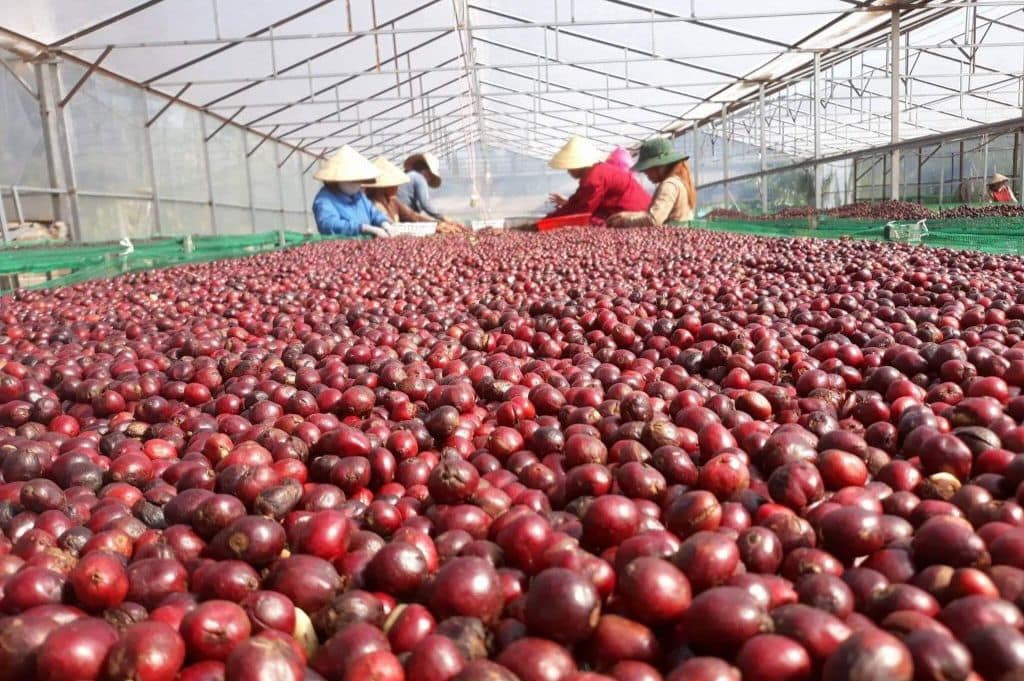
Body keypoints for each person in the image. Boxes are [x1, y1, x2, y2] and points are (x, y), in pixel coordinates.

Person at [545, 136, 650, 221]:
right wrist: (551, 218)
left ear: (579, 165)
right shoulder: (594, 173)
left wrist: (552, 220)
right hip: (632, 211)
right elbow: (576, 201)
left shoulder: (594, 179)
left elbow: (583, 211)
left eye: (570, 167)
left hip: (634, 214)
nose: (568, 171)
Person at [606, 137, 696, 228]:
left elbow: (653, 220)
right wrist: (627, 215)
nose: (645, 173)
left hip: (672, 237)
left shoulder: (669, 185)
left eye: (647, 168)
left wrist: (622, 222)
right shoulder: (679, 182)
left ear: (661, 165)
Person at [364, 157, 467, 235]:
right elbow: (392, 227)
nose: (398, 187)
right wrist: (436, 225)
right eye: (395, 184)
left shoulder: (392, 200)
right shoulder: (373, 203)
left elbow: (413, 216)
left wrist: (437, 224)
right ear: (385, 186)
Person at [312, 146, 391, 238]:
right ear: (338, 179)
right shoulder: (325, 199)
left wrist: (384, 222)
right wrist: (362, 228)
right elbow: (328, 224)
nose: (356, 184)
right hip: (340, 247)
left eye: (358, 181)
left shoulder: (359, 196)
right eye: (351, 180)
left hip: (366, 245)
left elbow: (373, 212)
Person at [399, 152, 448, 221]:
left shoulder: (408, 175)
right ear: (427, 171)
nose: (429, 179)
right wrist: (443, 218)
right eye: (431, 176)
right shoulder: (419, 178)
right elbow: (425, 204)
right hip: (404, 215)